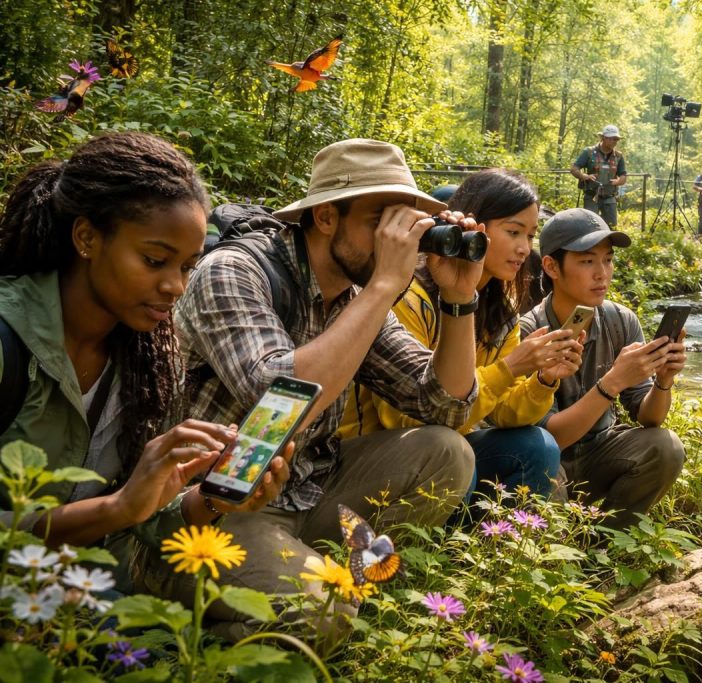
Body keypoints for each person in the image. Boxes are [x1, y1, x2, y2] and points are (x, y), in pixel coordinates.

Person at [142, 139, 482, 629]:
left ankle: (329, 582)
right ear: (325, 218)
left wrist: (459, 297)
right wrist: (386, 286)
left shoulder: (355, 295)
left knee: (447, 450)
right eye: (379, 222)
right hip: (214, 512)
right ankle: (210, 630)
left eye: (404, 223)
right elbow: (276, 402)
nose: (396, 240)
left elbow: (446, 405)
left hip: (309, 492)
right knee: (326, 614)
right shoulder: (235, 270)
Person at [0, 132, 289, 590]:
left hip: (84, 602)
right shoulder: (7, 343)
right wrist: (113, 509)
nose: (175, 286)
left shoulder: (150, 357)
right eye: (155, 260)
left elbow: (142, 521)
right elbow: (116, 512)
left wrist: (210, 499)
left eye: (188, 266)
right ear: (86, 237)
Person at [341, 169, 582, 506]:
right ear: (473, 227)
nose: (524, 249)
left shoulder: (500, 309)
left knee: (536, 446)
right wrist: (510, 367)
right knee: (452, 449)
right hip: (383, 451)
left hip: (447, 444)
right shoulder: (410, 299)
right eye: (513, 232)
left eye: (530, 236)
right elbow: (408, 418)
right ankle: (435, 542)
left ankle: (496, 540)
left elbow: (505, 413)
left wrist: (543, 379)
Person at [520, 208, 687, 528]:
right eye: (587, 261)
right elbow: (551, 438)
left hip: (601, 453)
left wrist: (663, 381)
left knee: (665, 447)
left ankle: (604, 543)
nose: (602, 273)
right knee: (544, 461)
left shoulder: (621, 320)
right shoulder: (530, 332)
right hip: (546, 463)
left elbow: (648, 417)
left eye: (608, 259)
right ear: (551, 266)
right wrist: (611, 383)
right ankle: (555, 547)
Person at [570, 125, 627, 227]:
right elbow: (574, 168)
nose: (615, 141)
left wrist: (618, 182)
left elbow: (623, 176)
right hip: (591, 196)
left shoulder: (618, 156)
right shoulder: (589, 152)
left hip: (610, 197)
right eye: (613, 138)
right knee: (590, 227)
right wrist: (584, 176)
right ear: (604, 138)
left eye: (617, 139)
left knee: (611, 227)